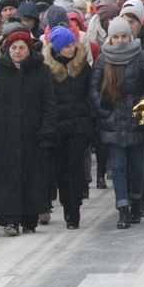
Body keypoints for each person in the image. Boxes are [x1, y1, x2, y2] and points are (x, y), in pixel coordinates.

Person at [0, 27, 56, 236]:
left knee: (32, 176)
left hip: (32, 134)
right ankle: (10, 220)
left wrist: (47, 130)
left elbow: (48, 103)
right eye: (13, 48)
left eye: (22, 47)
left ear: (29, 50)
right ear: (8, 50)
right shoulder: (0, 70)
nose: (18, 51)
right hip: (6, 134)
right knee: (7, 178)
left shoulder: (41, 71)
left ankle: (30, 219)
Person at [89, 17, 144, 229]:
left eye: (124, 35)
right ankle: (122, 208)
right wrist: (104, 112)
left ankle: (136, 201)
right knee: (118, 166)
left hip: (136, 121)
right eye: (116, 36)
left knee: (137, 167)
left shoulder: (142, 57)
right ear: (110, 38)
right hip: (113, 122)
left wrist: (141, 107)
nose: (121, 40)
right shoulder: (103, 59)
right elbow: (94, 89)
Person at [43, 26, 92, 229]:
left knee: (75, 167)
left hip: (79, 127)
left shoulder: (83, 67)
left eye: (73, 44)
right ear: (57, 48)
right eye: (66, 46)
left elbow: (91, 95)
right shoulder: (47, 71)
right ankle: (67, 204)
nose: (71, 49)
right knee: (61, 170)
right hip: (58, 129)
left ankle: (74, 209)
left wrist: (90, 123)